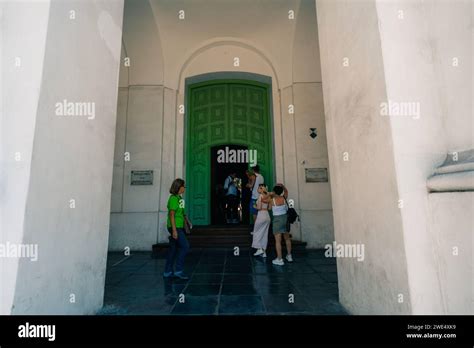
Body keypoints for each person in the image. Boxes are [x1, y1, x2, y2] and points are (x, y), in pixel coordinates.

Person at [163, 178, 192, 279]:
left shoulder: (180, 199)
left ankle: (167, 272)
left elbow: (183, 213)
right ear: (179, 187)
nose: (185, 188)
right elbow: (172, 215)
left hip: (179, 226)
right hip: (174, 227)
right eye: (184, 186)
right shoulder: (173, 199)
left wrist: (188, 221)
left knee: (173, 249)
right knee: (185, 246)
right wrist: (174, 231)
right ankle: (178, 271)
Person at [269, 183, 293, 265]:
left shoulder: (272, 200)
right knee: (287, 238)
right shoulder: (284, 198)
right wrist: (282, 186)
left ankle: (279, 259)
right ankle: (289, 256)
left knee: (278, 241)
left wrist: (272, 192)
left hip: (277, 220)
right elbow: (286, 191)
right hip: (285, 219)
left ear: (274, 192)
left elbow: (267, 204)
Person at [251, 184, 271, 258]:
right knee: (264, 234)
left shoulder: (260, 196)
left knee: (256, 232)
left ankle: (259, 248)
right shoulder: (268, 197)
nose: (258, 189)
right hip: (267, 215)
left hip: (261, 215)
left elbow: (259, 207)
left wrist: (255, 206)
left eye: (259, 188)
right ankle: (264, 252)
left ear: (262, 189)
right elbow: (269, 208)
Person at [249, 165, 264, 233]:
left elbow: (251, 185)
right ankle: (260, 230)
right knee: (260, 215)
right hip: (260, 197)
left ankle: (256, 231)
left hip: (254, 198)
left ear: (253, 170)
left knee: (255, 215)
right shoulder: (261, 177)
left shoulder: (253, 176)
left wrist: (247, 185)